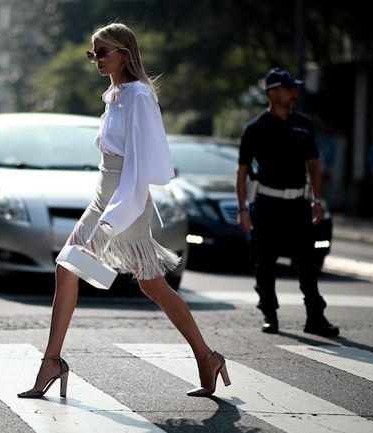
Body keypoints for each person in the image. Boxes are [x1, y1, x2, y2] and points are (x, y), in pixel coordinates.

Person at [18, 23, 231, 399]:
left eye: (104, 52)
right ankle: (206, 357)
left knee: (75, 269)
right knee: (148, 283)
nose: (97, 59)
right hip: (104, 195)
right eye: (93, 53)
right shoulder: (114, 94)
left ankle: (52, 361)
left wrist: (110, 218)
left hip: (124, 200)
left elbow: (137, 166)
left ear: (125, 53)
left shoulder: (138, 95)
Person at [236, 67, 339, 337]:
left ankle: (315, 318)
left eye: (294, 88)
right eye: (288, 87)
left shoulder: (303, 124)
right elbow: (242, 171)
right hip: (267, 204)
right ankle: (270, 315)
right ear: (273, 93)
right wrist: (242, 209)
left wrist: (317, 199)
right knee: (265, 263)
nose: (294, 92)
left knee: (308, 262)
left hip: (298, 205)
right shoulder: (255, 129)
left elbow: (314, 165)